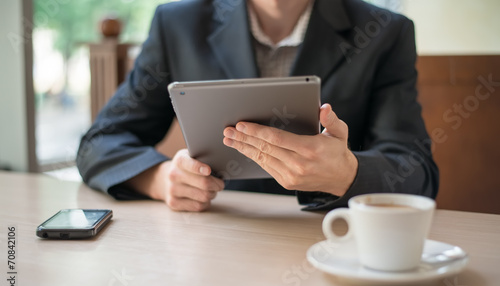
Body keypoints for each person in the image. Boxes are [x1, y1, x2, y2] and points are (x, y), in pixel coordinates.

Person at [77, 0, 439, 212]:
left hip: (334, 242)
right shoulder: (178, 24)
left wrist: (348, 172)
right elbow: (100, 142)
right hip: (218, 238)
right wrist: (157, 179)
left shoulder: (385, 32)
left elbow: (417, 171)